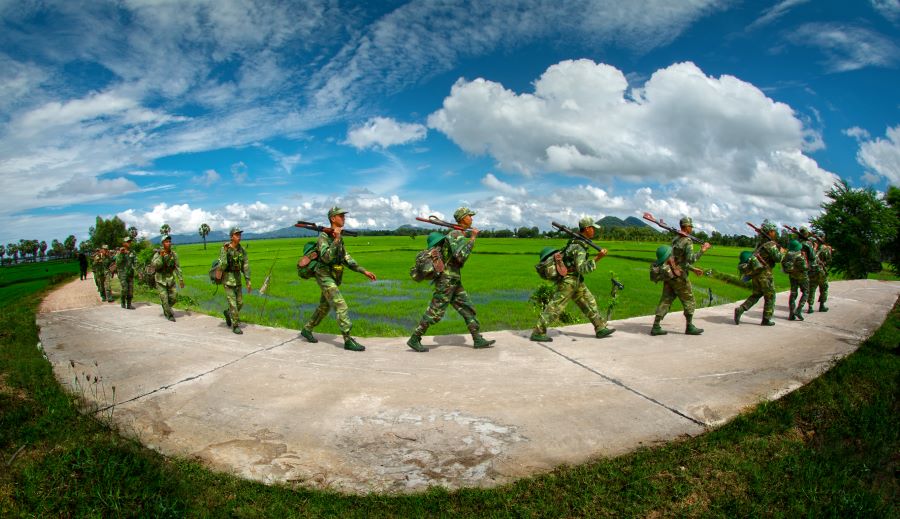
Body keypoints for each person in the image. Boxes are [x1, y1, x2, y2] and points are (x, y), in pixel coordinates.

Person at [407, 207, 497, 352]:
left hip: (454, 279)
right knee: (435, 311)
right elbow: (460, 256)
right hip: (447, 280)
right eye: (470, 216)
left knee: (467, 308)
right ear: (463, 218)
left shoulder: (459, 233)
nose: (472, 219)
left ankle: (477, 339)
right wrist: (473, 239)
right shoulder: (455, 234)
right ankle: (415, 338)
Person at [299, 207, 376, 351]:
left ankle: (307, 329)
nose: (344, 218)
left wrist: (363, 271)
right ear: (333, 218)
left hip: (333, 276)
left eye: (343, 216)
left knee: (324, 306)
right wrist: (337, 238)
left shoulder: (338, 237)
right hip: (323, 275)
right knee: (341, 305)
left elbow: (346, 258)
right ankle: (347, 340)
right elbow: (326, 257)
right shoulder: (323, 237)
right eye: (341, 216)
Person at [529, 217, 616, 342]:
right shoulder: (579, 246)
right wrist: (598, 258)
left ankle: (600, 327)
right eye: (592, 228)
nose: (594, 231)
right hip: (568, 281)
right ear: (586, 229)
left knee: (589, 302)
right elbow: (581, 268)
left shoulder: (576, 241)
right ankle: (538, 332)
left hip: (576, 280)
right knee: (556, 307)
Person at [650, 217, 711, 336]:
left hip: (669, 274)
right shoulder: (687, 241)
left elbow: (678, 260)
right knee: (689, 299)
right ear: (686, 227)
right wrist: (703, 250)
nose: (692, 228)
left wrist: (693, 270)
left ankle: (656, 326)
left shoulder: (675, 239)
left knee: (666, 300)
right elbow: (691, 259)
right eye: (691, 226)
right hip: (679, 276)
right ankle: (689, 326)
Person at [734, 220, 784, 326]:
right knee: (770, 296)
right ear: (769, 232)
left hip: (756, 273)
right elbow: (778, 259)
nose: (775, 233)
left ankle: (741, 309)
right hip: (765, 274)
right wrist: (782, 252)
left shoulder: (760, 244)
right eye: (773, 231)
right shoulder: (770, 245)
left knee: (756, 294)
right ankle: (766, 319)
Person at [217, 227, 251, 334]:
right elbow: (223, 264)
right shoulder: (225, 248)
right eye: (237, 235)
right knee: (234, 305)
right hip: (227, 281)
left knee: (240, 303)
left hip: (237, 280)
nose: (239, 237)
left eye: (240, 235)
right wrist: (226, 251)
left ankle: (228, 313)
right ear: (232, 237)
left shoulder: (242, 250)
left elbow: (245, 265)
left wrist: (248, 280)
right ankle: (235, 326)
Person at [150, 234, 184, 321]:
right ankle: (169, 315)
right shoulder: (158, 254)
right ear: (163, 243)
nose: (169, 243)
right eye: (166, 242)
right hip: (160, 280)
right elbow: (155, 266)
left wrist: (180, 279)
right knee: (164, 299)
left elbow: (177, 267)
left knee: (174, 298)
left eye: (169, 242)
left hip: (170, 279)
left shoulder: (174, 254)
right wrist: (161, 256)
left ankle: (166, 307)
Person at [782, 239, 809, 321]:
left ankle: (791, 314)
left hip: (792, 276)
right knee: (806, 292)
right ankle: (799, 310)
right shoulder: (800, 255)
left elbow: (783, 263)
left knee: (793, 294)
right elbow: (805, 267)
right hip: (802, 276)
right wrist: (806, 259)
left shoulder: (787, 255)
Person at [807, 233, 832, 313]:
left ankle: (810, 307)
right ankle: (822, 305)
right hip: (821, 271)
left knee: (812, 288)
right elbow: (829, 260)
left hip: (812, 270)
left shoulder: (812, 248)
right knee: (824, 288)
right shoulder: (825, 248)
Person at [115, 236, 137, 309]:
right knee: (125, 289)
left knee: (130, 290)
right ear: (124, 243)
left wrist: (138, 270)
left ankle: (129, 304)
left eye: (130, 242)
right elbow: (118, 263)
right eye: (127, 242)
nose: (129, 243)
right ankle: (123, 302)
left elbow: (135, 261)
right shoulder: (120, 252)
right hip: (122, 273)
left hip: (130, 273)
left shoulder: (132, 252)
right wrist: (122, 254)